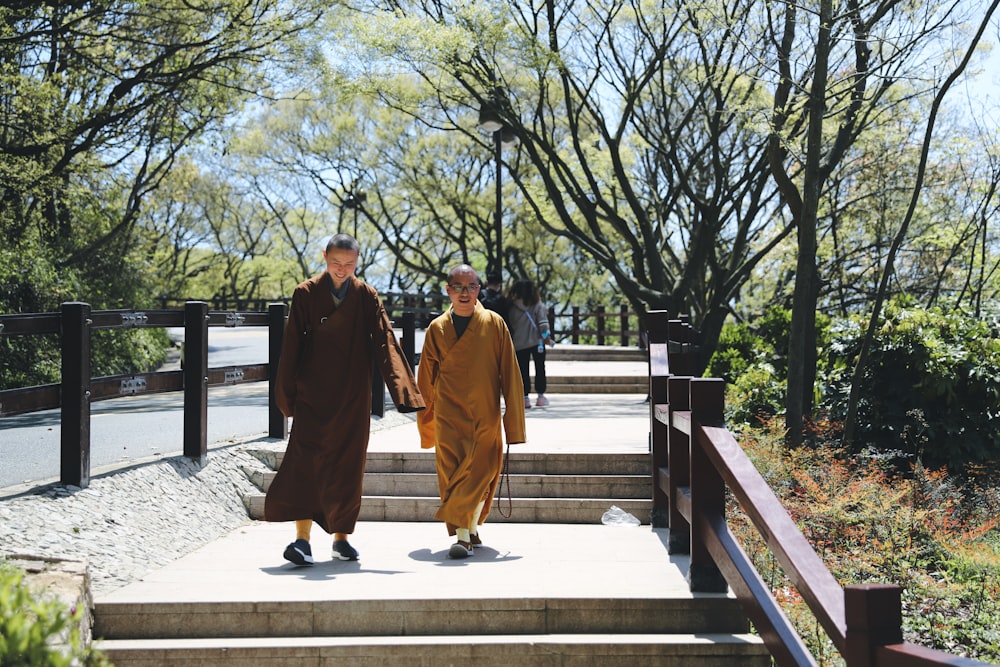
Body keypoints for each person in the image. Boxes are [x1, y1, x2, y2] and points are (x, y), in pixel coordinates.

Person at [265, 233, 424, 566]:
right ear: (324, 257)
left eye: (349, 264)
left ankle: (341, 539)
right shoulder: (306, 293)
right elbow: (291, 346)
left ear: (358, 261)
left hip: (353, 394)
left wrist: (404, 391)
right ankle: (302, 540)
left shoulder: (366, 295)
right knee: (305, 465)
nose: (341, 270)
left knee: (348, 467)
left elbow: (385, 340)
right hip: (313, 393)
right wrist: (286, 395)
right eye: (336, 263)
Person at [417, 265, 526, 559]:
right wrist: (425, 421)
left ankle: (465, 534)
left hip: (484, 414)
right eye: (459, 287)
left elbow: (510, 373)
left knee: (482, 473)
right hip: (448, 415)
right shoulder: (437, 328)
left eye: (472, 287)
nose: (465, 293)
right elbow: (425, 378)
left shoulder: (494, 323)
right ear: (448, 290)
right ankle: (466, 533)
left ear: (480, 290)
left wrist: (512, 422)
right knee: (453, 476)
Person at [504, 278, 556, 408]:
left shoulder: (510, 306)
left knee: (522, 370)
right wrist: (546, 336)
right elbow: (543, 323)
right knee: (540, 368)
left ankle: (525, 398)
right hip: (537, 342)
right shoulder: (537, 304)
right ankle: (540, 396)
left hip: (519, 343)